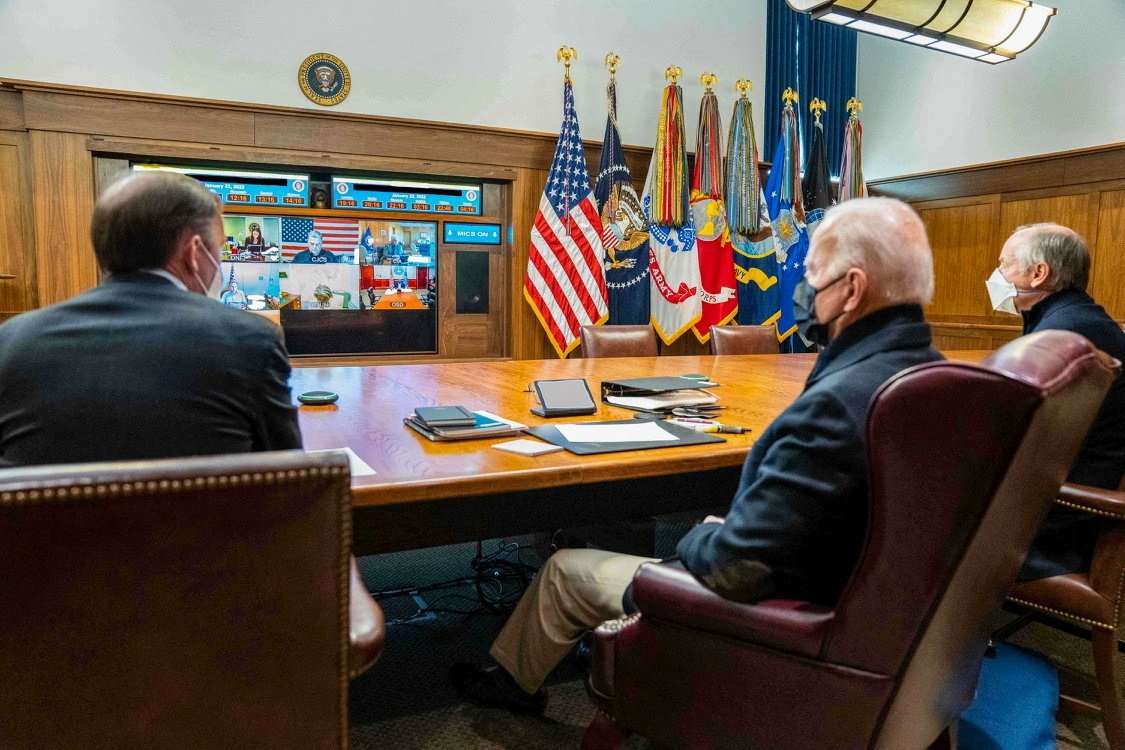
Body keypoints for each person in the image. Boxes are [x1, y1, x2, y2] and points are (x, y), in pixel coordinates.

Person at [450, 197, 943, 713]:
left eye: (812, 272)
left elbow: (735, 568)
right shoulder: (937, 380)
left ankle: (511, 687)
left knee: (564, 571)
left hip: (789, 617)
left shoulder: (834, 405)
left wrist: (703, 533)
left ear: (852, 290)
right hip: (890, 622)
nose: (802, 287)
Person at [0, 170, 302, 466]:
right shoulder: (251, 340)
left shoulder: (11, 340)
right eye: (219, 250)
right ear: (195, 252)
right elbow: (292, 483)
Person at [988, 223, 1125, 580]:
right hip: (1059, 499)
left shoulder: (1064, 334)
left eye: (1004, 265)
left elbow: (1013, 432)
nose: (997, 274)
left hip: (1059, 519)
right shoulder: (1074, 317)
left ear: (1038, 274)